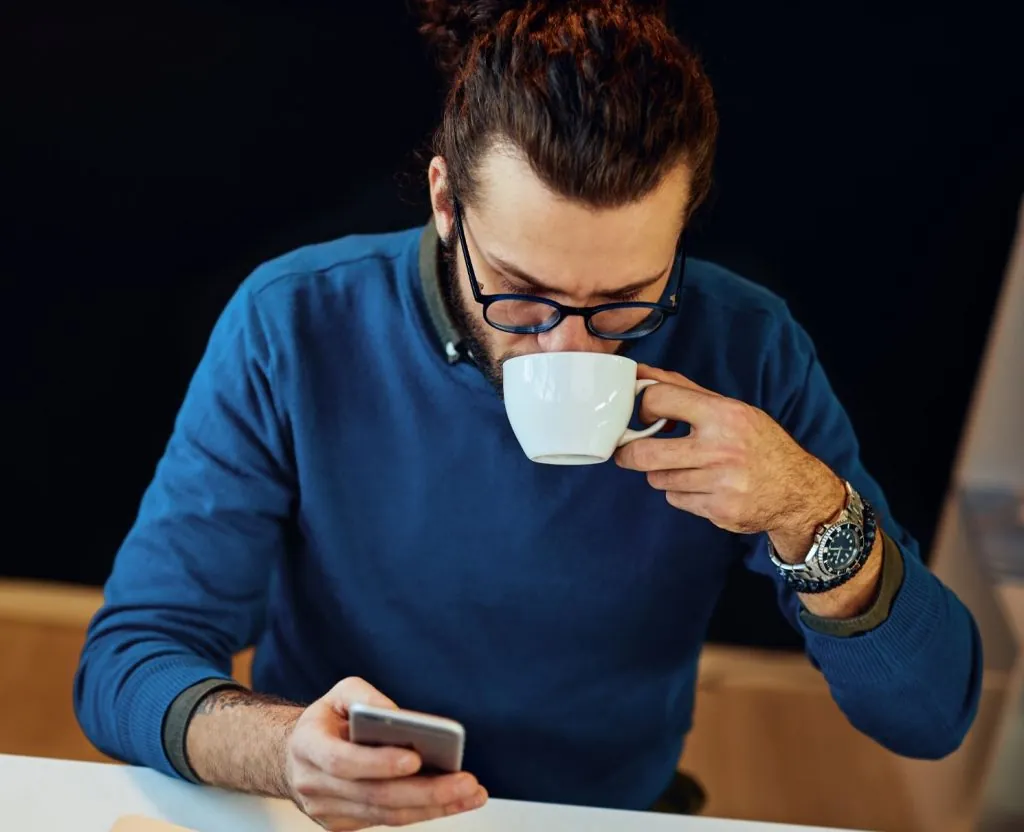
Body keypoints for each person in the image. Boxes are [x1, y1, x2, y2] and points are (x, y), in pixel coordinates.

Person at [74, 0, 983, 829]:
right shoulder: (296, 324)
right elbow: (129, 660)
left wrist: (808, 510)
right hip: (338, 819)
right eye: (520, 295)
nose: (571, 352)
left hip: (608, 814)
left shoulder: (745, 350)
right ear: (444, 203)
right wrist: (288, 753)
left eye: (626, 302)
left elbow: (932, 714)